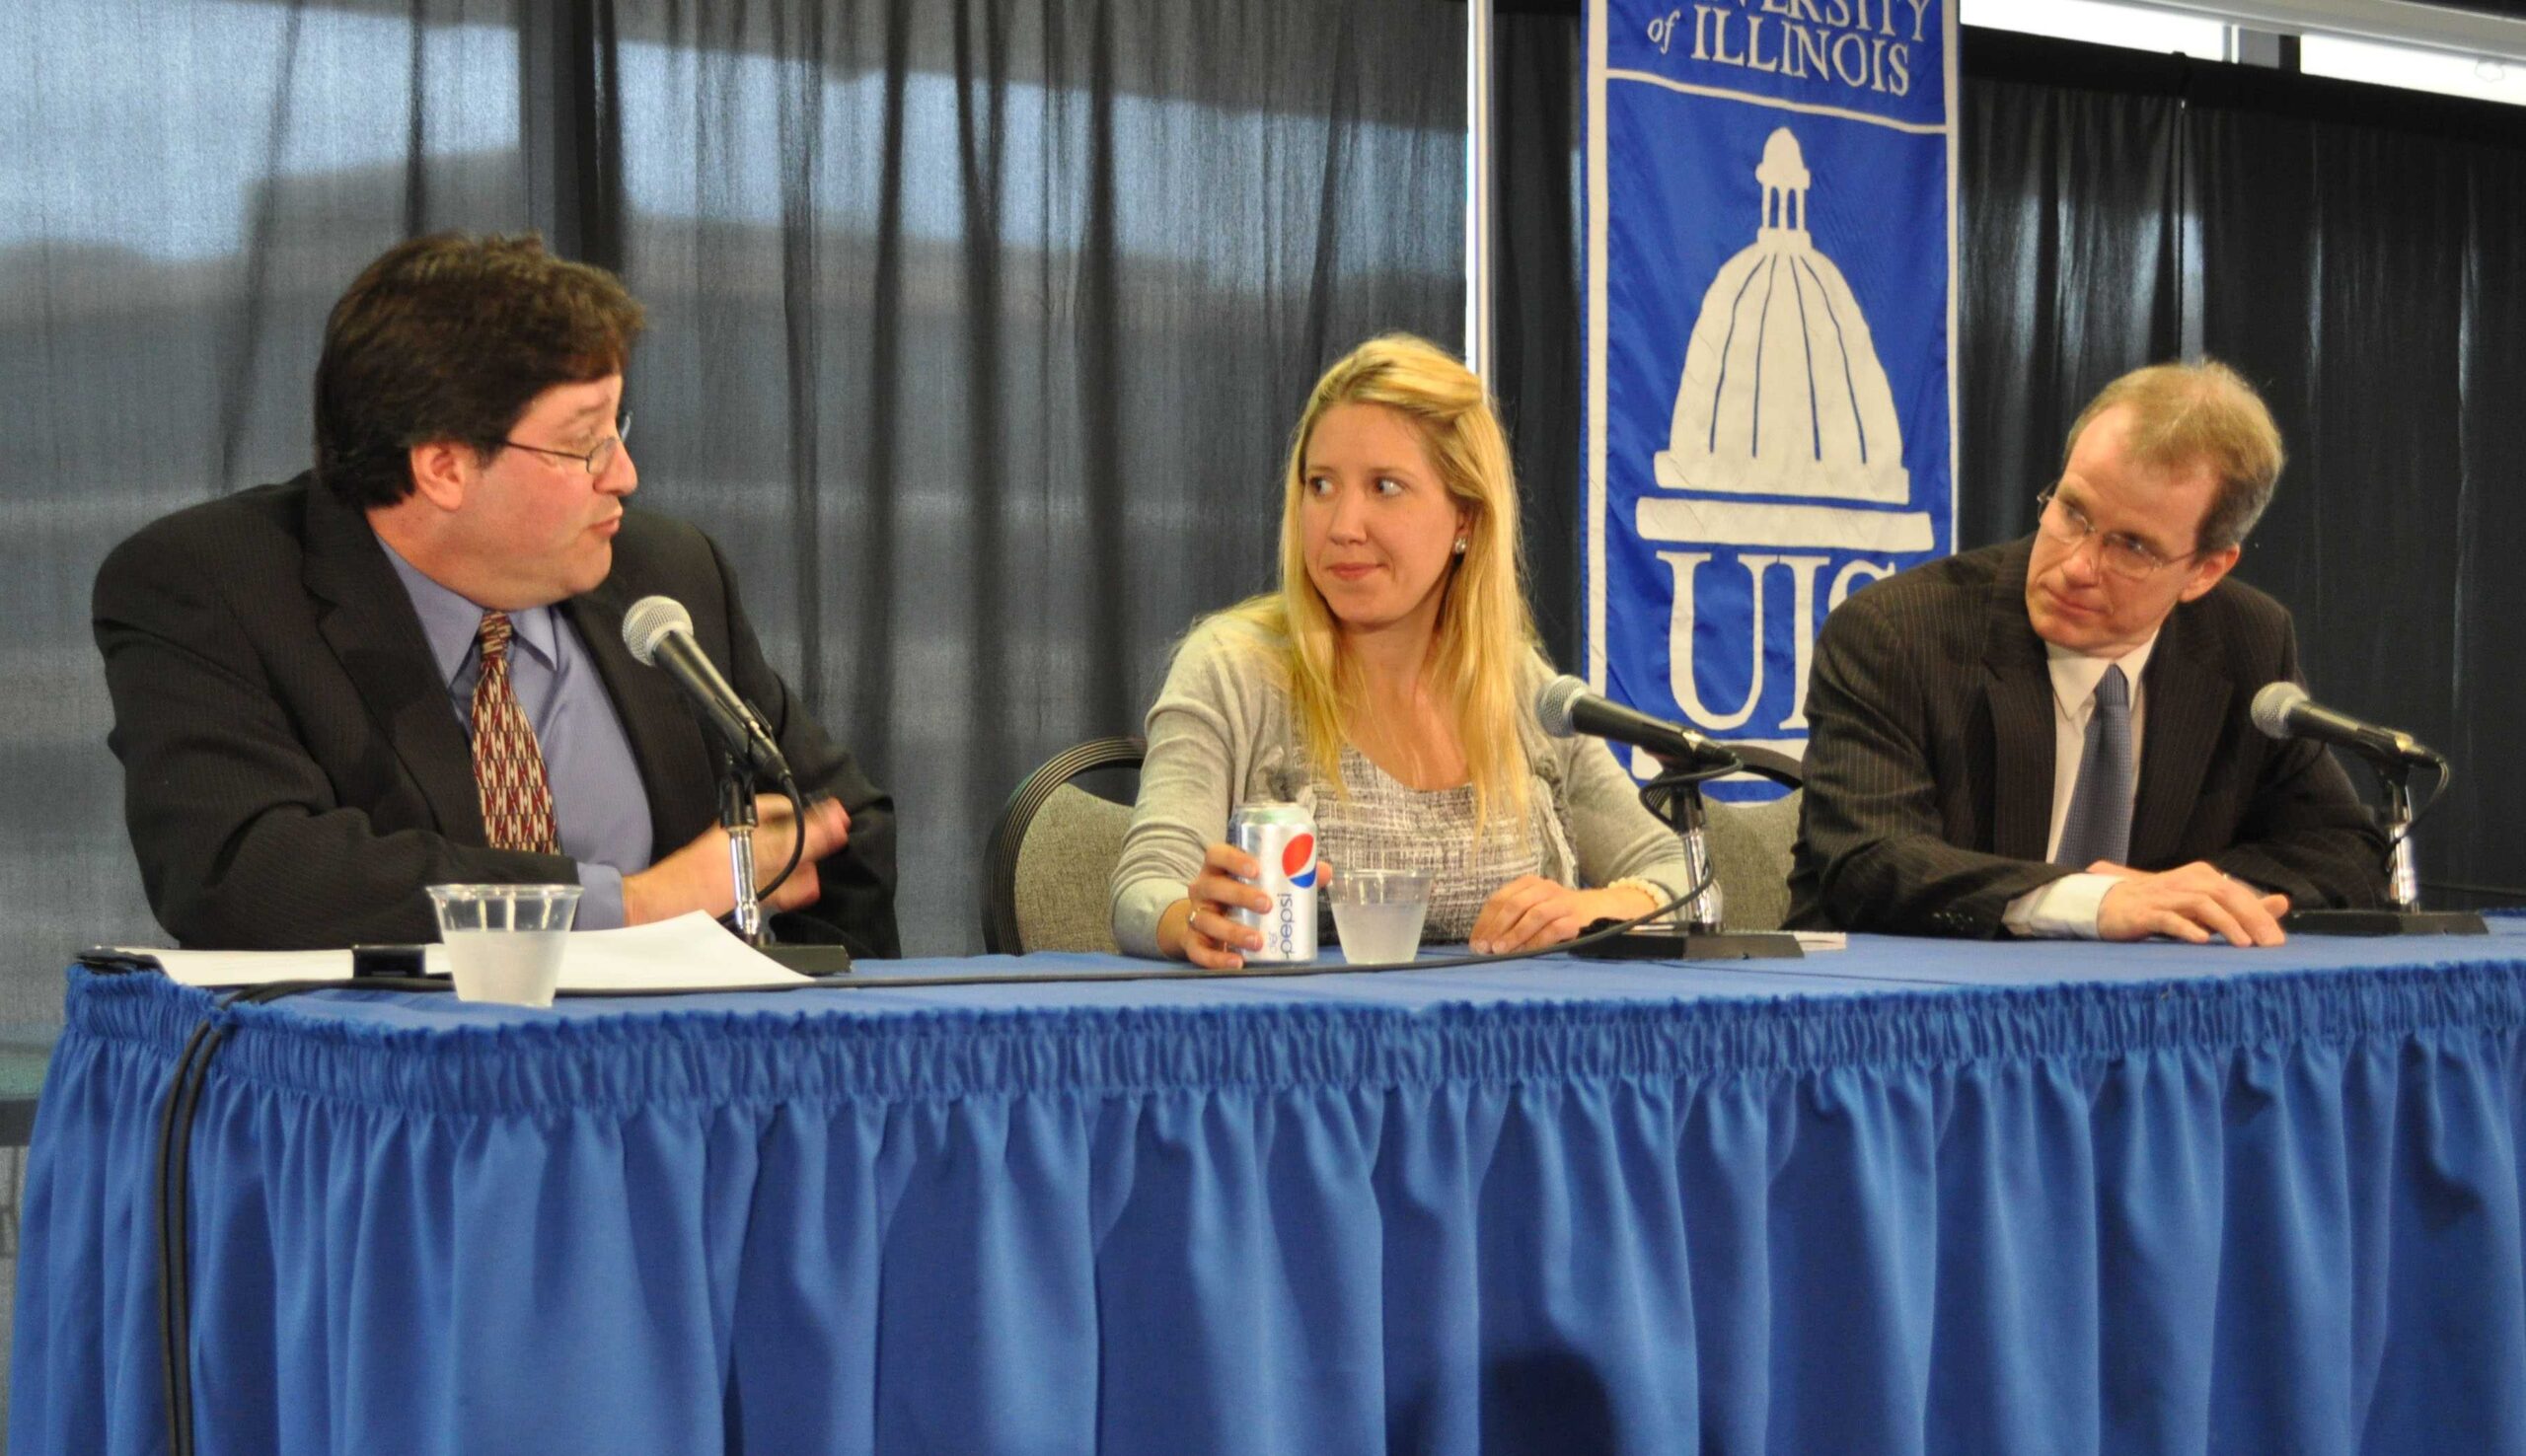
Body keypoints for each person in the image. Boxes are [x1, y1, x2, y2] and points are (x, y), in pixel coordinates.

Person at [94, 233, 899, 955]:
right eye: (584, 444)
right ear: (442, 467)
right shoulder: (212, 585)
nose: (623, 475)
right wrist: (643, 904)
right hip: (403, 1100)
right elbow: (245, 874)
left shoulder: (665, 572)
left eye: (619, 431)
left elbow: (834, 826)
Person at [1110, 334, 1691, 967]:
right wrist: (1187, 919)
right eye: (1321, 485)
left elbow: (1677, 875)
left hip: (1515, 1052)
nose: (1341, 525)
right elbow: (1145, 888)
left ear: (1465, 518)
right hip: (1300, 1047)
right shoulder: (1234, 670)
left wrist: (1593, 907)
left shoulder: (1521, 687)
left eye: (1385, 487)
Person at [1787, 359, 2387, 945]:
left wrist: (2201, 898)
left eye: (2132, 547)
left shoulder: (2246, 644)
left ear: (2205, 571)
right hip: (1906, 1020)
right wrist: (2093, 903)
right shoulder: (1898, 633)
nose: (2076, 565)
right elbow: (1870, 861)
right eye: (2072, 511)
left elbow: (2344, 854)